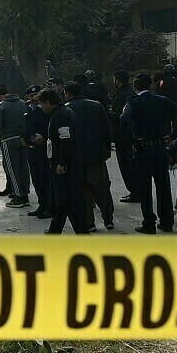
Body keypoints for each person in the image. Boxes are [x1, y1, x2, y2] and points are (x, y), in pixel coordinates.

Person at [120, 73, 177, 234]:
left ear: (135, 86)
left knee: (145, 188)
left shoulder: (133, 102)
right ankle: (167, 222)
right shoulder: (161, 100)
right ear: (150, 86)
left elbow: (123, 119)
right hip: (160, 147)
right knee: (163, 186)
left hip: (143, 148)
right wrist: (173, 134)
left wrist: (132, 139)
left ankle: (149, 223)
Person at [37, 88, 90, 234]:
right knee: (61, 199)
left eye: (42, 104)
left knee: (68, 200)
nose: (41, 107)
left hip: (65, 165)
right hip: (64, 162)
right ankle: (56, 229)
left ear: (47, 103)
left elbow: (65, 140)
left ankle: (82, 233)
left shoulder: (60, 116)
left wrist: (62, 162)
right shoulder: (63, 111)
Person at [63, 82, 114, 231]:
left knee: (83, 191)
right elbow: (106, 129)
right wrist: (106, 149)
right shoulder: (96, 105)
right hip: (97, 155)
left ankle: (89, 222)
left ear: (68, 93)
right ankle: (108, 218)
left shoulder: (66, 109)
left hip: (78, 157)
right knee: (102, 188)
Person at [0, 86, 31, 207]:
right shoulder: (23, 103)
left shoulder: (1, 106)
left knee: (12, 169)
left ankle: (18, 196)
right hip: (23, 139)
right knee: (24, 167)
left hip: (8, 139)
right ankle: (25, 194)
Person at [110, 70, 139, 203]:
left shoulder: (123, 95)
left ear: (117, 80)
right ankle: (135, 190)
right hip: (128, 135)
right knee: (130, 163)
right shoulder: (128, 92)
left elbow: (121, 117)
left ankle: (134, 191)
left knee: (126, 164)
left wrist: (110, 113)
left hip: (123, 135)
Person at [23, 85, 50, 218]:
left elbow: (51, 127)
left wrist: (44, 137)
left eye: (36, 95)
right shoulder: (27, 109)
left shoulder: (46, 110)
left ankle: (49, 206)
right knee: (36, 179)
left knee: (45, 179)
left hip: (43, 148)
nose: (33, 98)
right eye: (31, 96)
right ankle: (42, 204)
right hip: (31, 148)